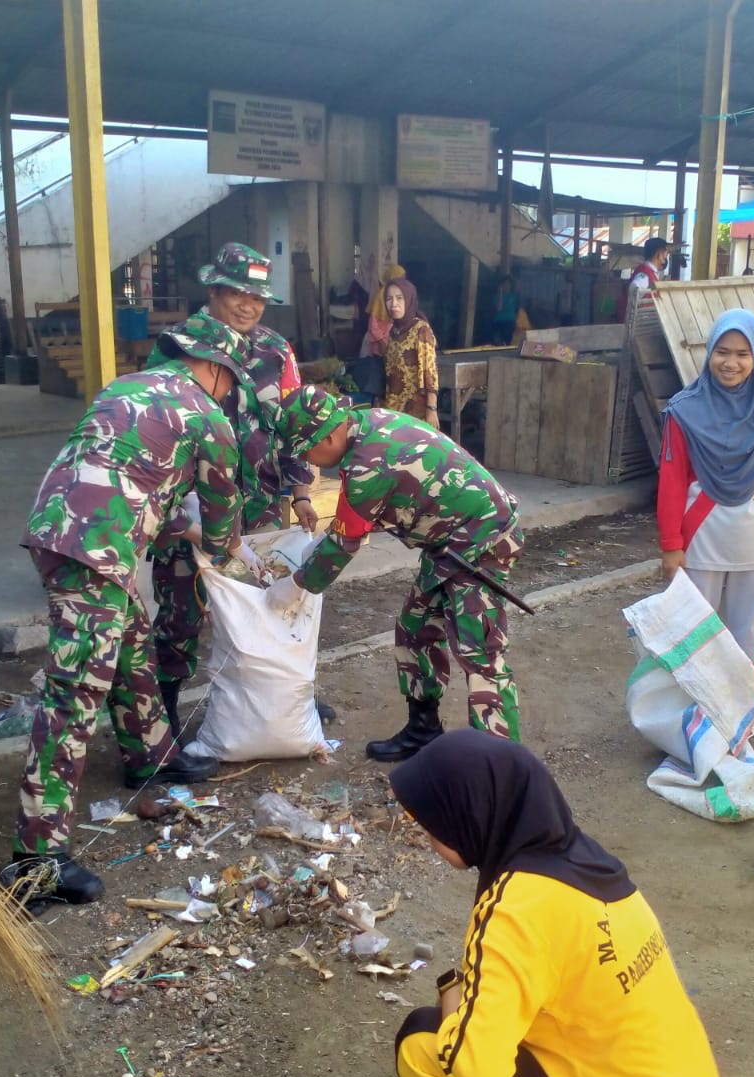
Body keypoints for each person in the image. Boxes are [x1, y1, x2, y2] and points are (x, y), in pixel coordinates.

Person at [388, 730, 723, 1077]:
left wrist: (450, 1017)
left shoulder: (516, 907)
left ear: (472, 814)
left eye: (432, 823)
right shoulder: (591, 867)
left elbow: (474, 1067)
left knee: (423, 1042)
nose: (428, 838)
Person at [10, 313, 245, 905]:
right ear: (215, 369)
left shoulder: (127, 387)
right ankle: (37, 856)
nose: (229, 391)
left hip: (60, 528)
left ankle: (150, 755)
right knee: (73, 695)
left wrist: (180, 528)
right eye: (231, 380)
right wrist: (226, 550)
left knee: (134, 638)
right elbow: (222, 514)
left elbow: (138, 477)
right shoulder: (207, 416)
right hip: (95, 549)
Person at [269, 388, 522, 760]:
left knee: (479, 650)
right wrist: (325, 543)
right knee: (415, 629)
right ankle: (424, 730)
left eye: (307, 452)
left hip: (483, 541)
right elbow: (351, 521)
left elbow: (343, 545)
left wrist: (296, 584)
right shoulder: (366, 427)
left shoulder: (367, 465)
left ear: (328, 438)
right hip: (449, 543)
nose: (308, 461)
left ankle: (502, 764)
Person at [145, 242, 329, 731]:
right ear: (213, 290)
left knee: (270, 602)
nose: (248, 306)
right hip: (191, 508)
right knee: (181, 611)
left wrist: (301, 492)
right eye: (237, 294)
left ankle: (279, 703)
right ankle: (164, 715)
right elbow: (158, 424)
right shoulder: (179, 345)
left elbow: (292, 425)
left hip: (259, 506)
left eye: (258, 298)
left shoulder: (276, 350)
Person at [657, 310, 754, 675]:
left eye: (743, 354)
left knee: (749, 633)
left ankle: (741, 708)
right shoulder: (683, 409)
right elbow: (671, 481)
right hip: (701, 536)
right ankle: (693, 707)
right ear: (709, 352)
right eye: (722, 352)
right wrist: (671, 545)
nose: (731, 363)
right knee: (692, 633)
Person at [381, 275, 439, 427]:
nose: (393, 304)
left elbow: (429, 371)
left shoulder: (421, 330)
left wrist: (431, 409)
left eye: (399, 298)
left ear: (409, 299)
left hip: (415, 411)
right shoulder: (393, 331)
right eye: (389, 299)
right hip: (393, 409)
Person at [361, 263, 408, 358]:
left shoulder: (399, 294)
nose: (404, 281)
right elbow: (373, 326)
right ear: (394, 278)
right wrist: (382, 342)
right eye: (401, 278)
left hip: (389, 342)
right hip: (378, 343)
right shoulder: (382, 294)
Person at [490, 274, 521, 344]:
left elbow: (517, 309)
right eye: (504, 284)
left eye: (508, 284)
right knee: (497, 343)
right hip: (498, 321)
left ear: (511, 285)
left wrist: (516, 321)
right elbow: (499, 308)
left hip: (510, 322)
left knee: (508, 342)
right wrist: (500, 293)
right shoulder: (496, 297)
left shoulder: (515, 295)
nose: (506, 285)